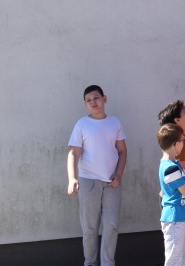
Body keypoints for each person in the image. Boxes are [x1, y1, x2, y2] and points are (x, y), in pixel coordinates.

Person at [67, 84, 127, 266]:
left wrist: (118, 175)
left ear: (104, 99)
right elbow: (73, 153)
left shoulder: (115, 123)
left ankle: (108, 263)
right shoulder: (82, 124)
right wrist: (72, 178)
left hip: (112, 183)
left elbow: (122, 151)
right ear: (85, 104)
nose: (93, 102)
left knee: (111, 225)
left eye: (96, 98)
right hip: (89, 182)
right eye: (88, 100)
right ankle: (90, 262)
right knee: (89, 228)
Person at [157, 123, 185, 266]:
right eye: (182, 140)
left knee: (181, 260)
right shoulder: (170, 168)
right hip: (174, 219)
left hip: (178, 219)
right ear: (176, 144)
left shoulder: (173, 164)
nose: (184, 143)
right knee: (174, 261)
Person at [157, 100, 185, 214]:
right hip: (178, 202)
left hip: (181, 198)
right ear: (177, 120)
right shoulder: (181, 143)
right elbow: (183, 174)